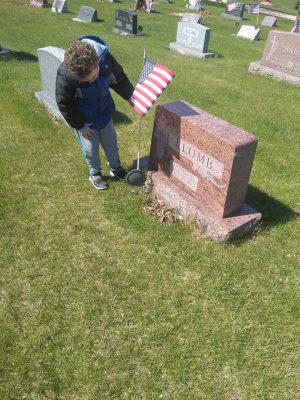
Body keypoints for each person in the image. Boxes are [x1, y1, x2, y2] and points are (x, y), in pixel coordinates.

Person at [55, 35, 134, 190]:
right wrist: (80, 125)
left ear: (98, 62)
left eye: (94, 76)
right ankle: (95, 173)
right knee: (91, 149)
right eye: (87, 81)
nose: (92, 81)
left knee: (111, 143)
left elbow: (118, 78)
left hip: (104, 113)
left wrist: (131, 96)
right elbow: (64, 103)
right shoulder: (66, 75)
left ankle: (115, 168)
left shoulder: (106, 60)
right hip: (85, 120)